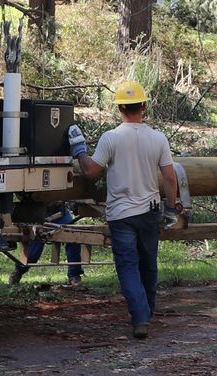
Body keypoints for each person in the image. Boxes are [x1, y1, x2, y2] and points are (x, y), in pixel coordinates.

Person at [70, 78, 182, 339]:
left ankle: (140, 318)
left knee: (128, 267)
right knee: (148, 265)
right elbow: (170, 178)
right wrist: (170, 209)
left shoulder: (111, 138)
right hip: (150, 211)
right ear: (143, 106)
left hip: (121, 215)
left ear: (120, 109)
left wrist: (79, 150)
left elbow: (90, 171)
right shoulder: (158, 138)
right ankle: (147, 313)